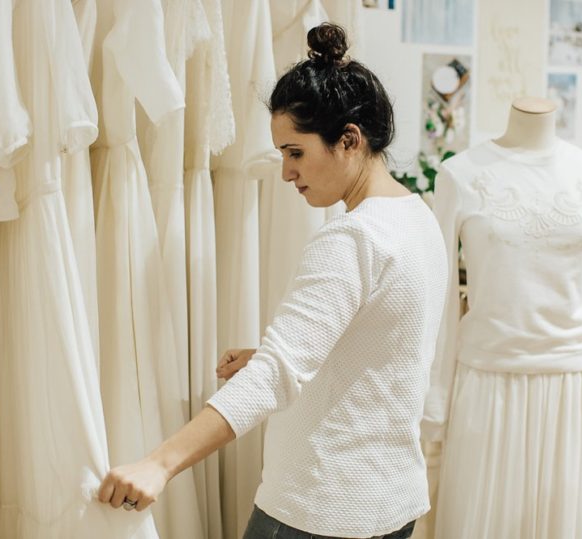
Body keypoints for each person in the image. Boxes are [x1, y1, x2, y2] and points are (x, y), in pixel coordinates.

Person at [98, 23, 448, 539]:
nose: (285, 172)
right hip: (391, 504)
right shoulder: (418, 217)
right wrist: (268, 360)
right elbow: (381, 354)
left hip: (317, 509)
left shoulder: (353, 239)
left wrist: (159, 463)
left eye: (295, 152)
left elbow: (277, 376)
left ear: (348, 140)